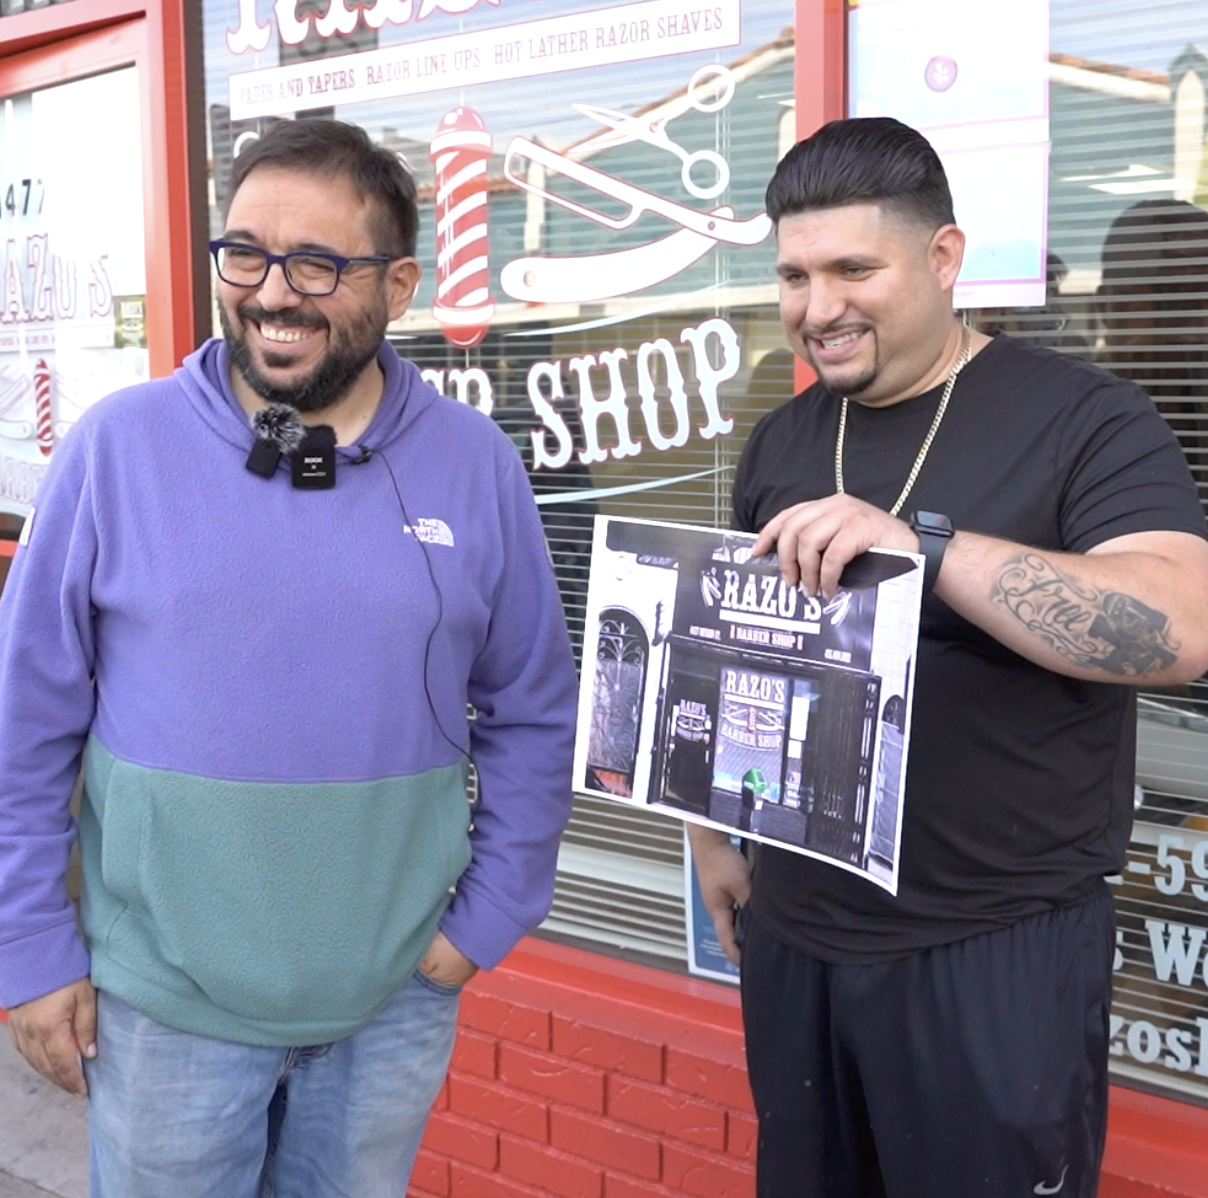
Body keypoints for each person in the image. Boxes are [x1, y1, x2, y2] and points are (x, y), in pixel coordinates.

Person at [0, 119, 578, 1198]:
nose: (273, 294)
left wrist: (491, 912)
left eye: (316, 263)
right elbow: (21, 720)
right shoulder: (116, 449)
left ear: (398, 283)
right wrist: (28, 945)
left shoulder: (474, 465)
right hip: (162, 1011)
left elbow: (533, 709)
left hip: (391, 1003)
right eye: (246, 254)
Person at [688, 117, 1208, 1198]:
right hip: (797, 934)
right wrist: (710, 835)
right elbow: (730, 649)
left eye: (853, 270)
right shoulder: (783, 438)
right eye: (793, 275)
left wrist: (923, 548)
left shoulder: (1082, 418)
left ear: (942, 258)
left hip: (992, 947)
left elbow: (1178, 627)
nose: (817, 308)